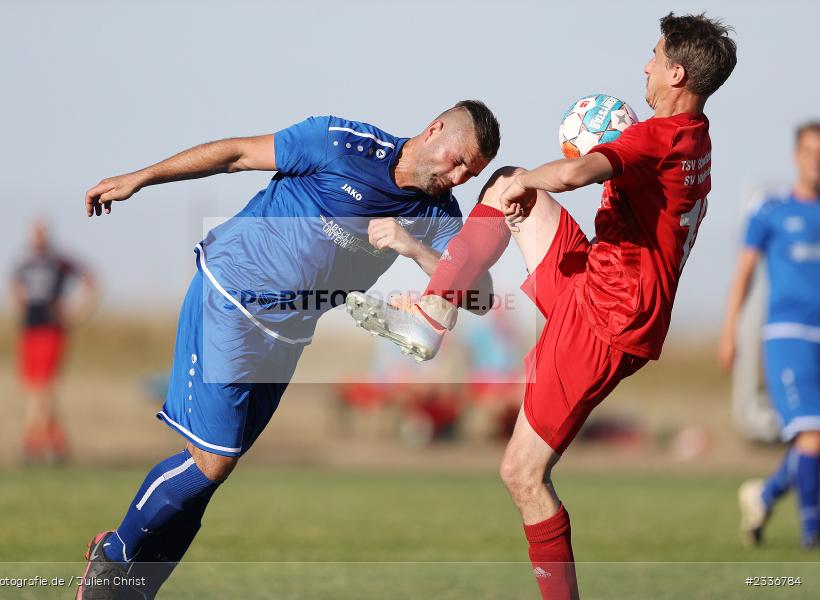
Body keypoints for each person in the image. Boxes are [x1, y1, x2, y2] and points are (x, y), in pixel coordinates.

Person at [347, 13, 736, 599]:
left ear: (677, 73)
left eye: (655, 57)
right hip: (596, 283)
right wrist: (521, 184)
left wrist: (533, 179)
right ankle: (434, 313)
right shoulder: (693, 135)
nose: (646, 66)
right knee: (507, 182)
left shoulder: (659, 136)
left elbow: (577, 172)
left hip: (605, 322)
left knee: (522, 474)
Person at [76, 101, 500, 598]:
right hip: (231, 297)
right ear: (434, 130)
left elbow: (481, 297)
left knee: (210, 474)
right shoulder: (339, 142)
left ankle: (136, 591)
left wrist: (413, 247)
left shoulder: (437, 215)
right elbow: (236, 154)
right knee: (213, 462)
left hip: (288, 336)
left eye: (472, 173)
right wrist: (140, 178)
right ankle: (112, 556)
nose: (459, 177)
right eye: (458, 160)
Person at [719, 121, 820, 549]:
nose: (816, 161)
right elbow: (744, 272)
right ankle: (813, 536)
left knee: (815, 440)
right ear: (796, 156)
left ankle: (764, 494)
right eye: (809, 152)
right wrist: (730, 330)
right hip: (788, 335)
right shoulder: (771, 209)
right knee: (812, 433)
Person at [11, 221, 97, 463]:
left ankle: (31, 442)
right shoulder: (25, 264)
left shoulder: (59, 262)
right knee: (33, 387)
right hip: (30, 329)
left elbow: (90, 281)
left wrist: (77, 311)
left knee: (43, 387)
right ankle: (56, 442)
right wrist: (19, 306)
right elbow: (15, 287)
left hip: (52, 330)